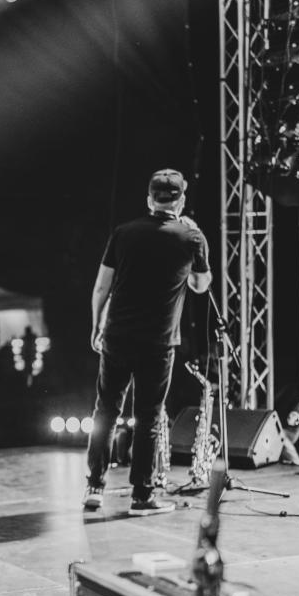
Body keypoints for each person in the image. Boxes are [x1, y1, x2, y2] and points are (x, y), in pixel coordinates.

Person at [85, 169, 212, 515]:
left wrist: (97, 325)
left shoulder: (123, 233)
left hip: (117, 335)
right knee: (148, 416)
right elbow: (201, 285)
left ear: (149, 199)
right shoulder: (191, 237)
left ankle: (94, 488)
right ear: (180, 201)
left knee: (105, 410)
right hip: (158, 342)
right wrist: (196, 242)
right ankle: (142, 496)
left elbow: (101, 286)